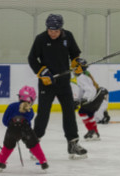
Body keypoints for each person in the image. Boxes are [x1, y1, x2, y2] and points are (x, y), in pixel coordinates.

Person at [28, 14, 88, 159]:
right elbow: (31, 58)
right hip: (47, 83)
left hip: (63, 82)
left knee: (69, 112)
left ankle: (73, 143)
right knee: (43, 114)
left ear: (61, 28)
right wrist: (41, 71)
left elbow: (75, 55)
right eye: (50, 30)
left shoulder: (68, 36)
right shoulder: (41, 39)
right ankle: (35, 145)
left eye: (55, 31)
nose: (52, 33)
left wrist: (77, 63)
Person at [0, 86, 48, 172]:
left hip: (12, 129)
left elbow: (4, 121)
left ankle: (0, 162)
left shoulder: (11, 106)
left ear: (20, 96)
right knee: (34, 145)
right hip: (26, 129)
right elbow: (29, 121)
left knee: (7, 146)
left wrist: (11, 126)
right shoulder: (30, 110)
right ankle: (43, 162)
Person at [71, 68, 108, 141]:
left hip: (92, 98)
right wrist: (77, 100)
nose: (73, 71)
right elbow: (83, 90)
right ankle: (96, 133)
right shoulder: (85, 76)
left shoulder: (81, 78)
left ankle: (91, 131)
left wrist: (85, 99)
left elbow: (90, 90)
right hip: (96, 97)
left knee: (82, 112)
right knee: (90, 114)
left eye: (74, 70)